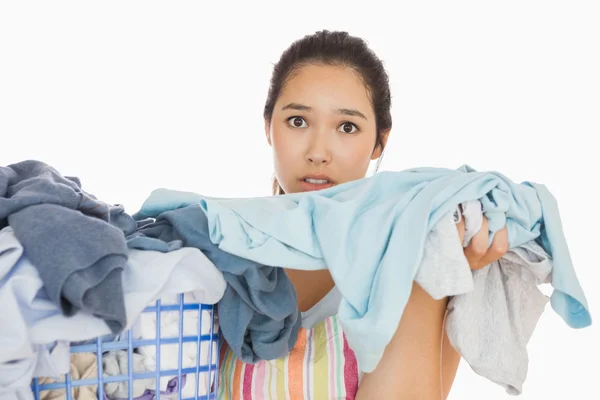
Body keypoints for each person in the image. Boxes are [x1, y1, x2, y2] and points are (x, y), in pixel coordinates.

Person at [217, 30, 509, 400]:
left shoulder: (423, 257)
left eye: (347, 127)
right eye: (297, 121)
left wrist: (425, 253)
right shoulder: (223, 255)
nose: (318, 152)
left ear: (379, 143)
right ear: (267, 127)